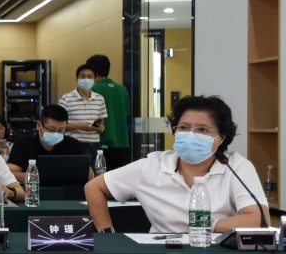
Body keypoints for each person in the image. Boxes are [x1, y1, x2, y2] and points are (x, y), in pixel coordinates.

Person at [85, 95, 270, 234]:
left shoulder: (235, 166)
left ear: (221, 138)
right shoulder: (151, 166)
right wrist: (107, 232)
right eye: (184, 127)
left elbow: (259, 220)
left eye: (202, 129)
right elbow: (94, 187)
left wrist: (207, 225)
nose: (190, 134)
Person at [6, 105, 84, 183]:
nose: (56, 134)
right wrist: (37, 177)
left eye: (61, 130)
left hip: (65, 189)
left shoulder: (73, 144)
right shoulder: (23, 143)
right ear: (39, 125)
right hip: (33, 188)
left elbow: (87, 173)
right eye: (51, 129)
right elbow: (11, 172)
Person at [86, 54, 131, 170]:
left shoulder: (94, 90)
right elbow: (126, 113)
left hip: (102, 147)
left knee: (101, 179)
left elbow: (91, 120)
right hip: (123, 146)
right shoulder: (123, 90)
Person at [58, 64, 107, 157]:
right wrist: (78, 126)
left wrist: (100, 128)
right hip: (74, 145)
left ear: (95, 79)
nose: (86, 79)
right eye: (83, 76)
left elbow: (102, 126)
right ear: (77, 79)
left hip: (94, 146)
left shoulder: (100, 99)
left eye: (89, 77)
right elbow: (59, 127)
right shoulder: (66, 99)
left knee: (96, 167)